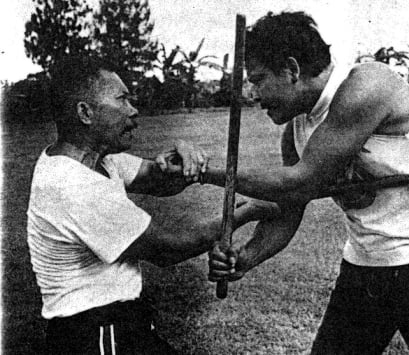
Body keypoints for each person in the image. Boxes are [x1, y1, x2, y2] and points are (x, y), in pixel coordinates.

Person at [196, 11, 409, 355]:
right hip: (365, 267)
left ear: (292, 69)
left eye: (258, 79)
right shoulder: (297, 129)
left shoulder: (368, 84)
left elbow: (297, 184)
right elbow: (290, 205)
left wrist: (203, 171)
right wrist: (247, 257)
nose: (253, 94)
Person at [26, 55, 265, 354]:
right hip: (95, 335)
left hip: (116, 325)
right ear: (85, 112)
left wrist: (183, 161)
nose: (133, 110)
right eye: (122, 100)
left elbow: (157, 179)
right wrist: (250, 208)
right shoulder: (72, 184)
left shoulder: (95, 161)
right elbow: (170, 247)